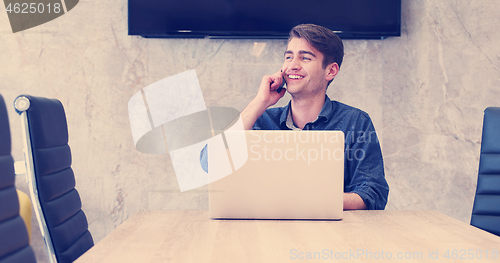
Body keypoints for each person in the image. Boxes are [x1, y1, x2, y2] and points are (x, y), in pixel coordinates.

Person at [238, 24, 389, 210]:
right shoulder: (261, 121)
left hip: (333, 234)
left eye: (305, 58)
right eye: (288, 57)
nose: (292, 65)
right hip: (267, 232)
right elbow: (210, 163)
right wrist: (259, 102)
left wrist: (308, 199)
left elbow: (374, 194)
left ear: (331, 71)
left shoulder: (355, 122)